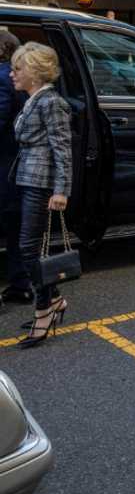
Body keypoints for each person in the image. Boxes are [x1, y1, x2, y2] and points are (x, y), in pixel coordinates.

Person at [10, 41, 72, 349]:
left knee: (28, 248)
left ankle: (43, 309)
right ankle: (55, 300)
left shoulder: (51, 102)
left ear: (34, 71)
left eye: (17, 68)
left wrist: (61, 190)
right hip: (28, 179)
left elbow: (63, 150)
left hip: (42, 182)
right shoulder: (34, 100)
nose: (12, 74)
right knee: (29, 247)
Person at [0, 30, 31, 306]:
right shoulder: (20, 79)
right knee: (14, 229)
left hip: (4, 165)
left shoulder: (2, 77)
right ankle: (20, 285)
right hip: (16, 167)